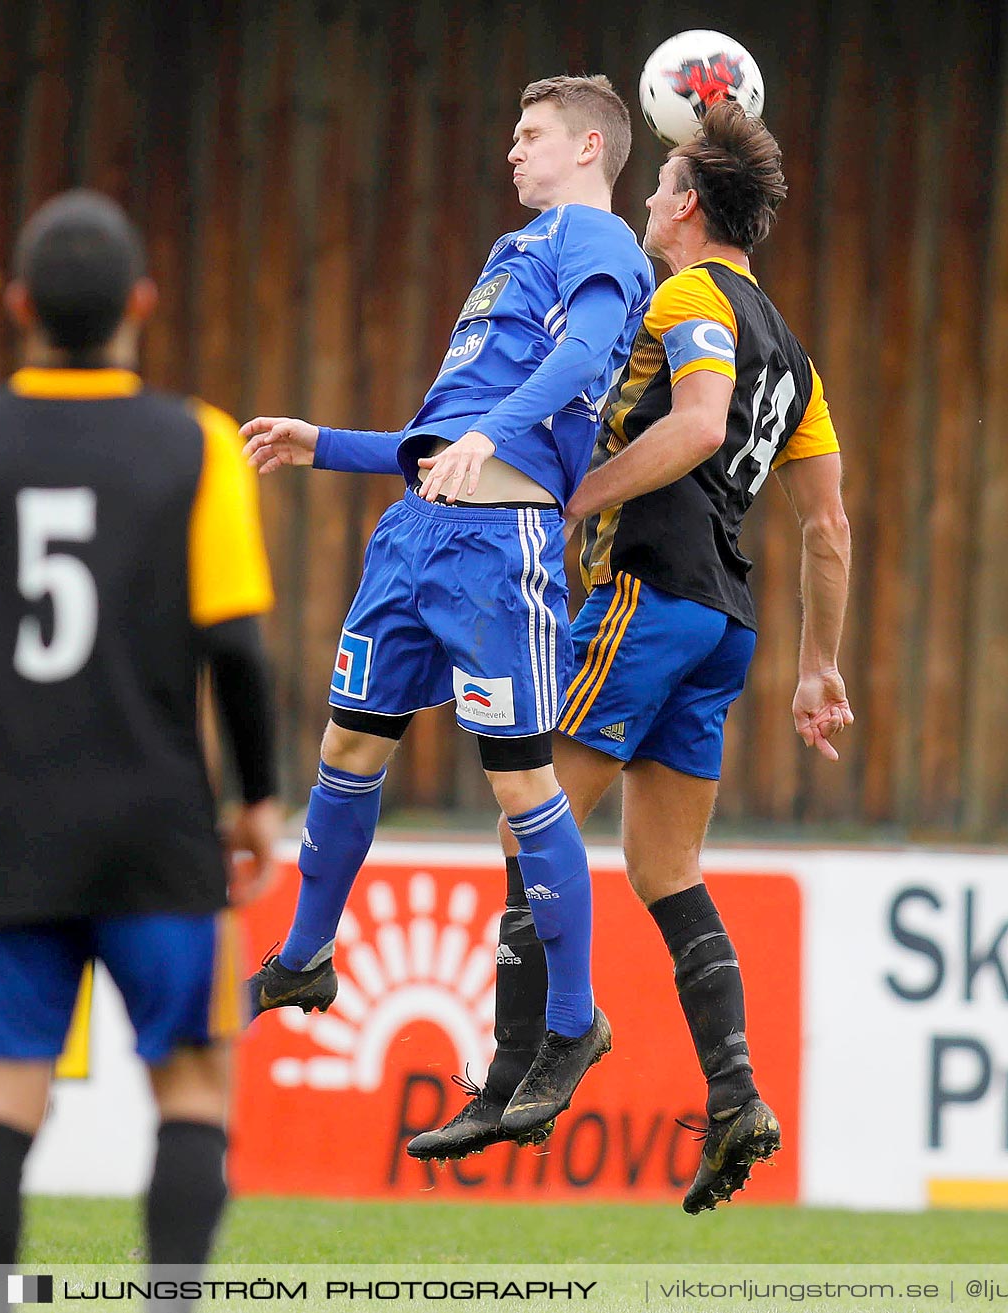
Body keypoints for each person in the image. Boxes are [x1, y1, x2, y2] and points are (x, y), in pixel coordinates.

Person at [405, 102, 853, 1213]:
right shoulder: (795, 356)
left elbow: (699, 424)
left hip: (649, 591)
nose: (647, 197)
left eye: (660, 185)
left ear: (690, 206)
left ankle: (527, 1059)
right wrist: (818, 666)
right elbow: (828, 526)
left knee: (530, 813)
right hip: (728, 623)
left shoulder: (694, 294)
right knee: (666, 869)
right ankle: (738, 1092)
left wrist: (577, 492)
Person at [0, 190, 281, 1313]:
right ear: (143, 304)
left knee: (2, 1097)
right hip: (155, 824)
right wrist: (259, 799)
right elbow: (236, 646)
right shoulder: (194, 440)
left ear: (16, 306)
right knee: (193, 1087)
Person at [239, 74, 655, 1141]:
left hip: (496, 546)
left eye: (530, 136)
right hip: (415, 538)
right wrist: (322, 443)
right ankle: (304, 956)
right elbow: (448, 431)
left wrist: (493, 437)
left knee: (520, 782)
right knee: (348, 739)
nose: (512, 153)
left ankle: (572, 1020)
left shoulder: (596, 244)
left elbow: (575, 363)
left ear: (591, 145)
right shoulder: (510, 255)